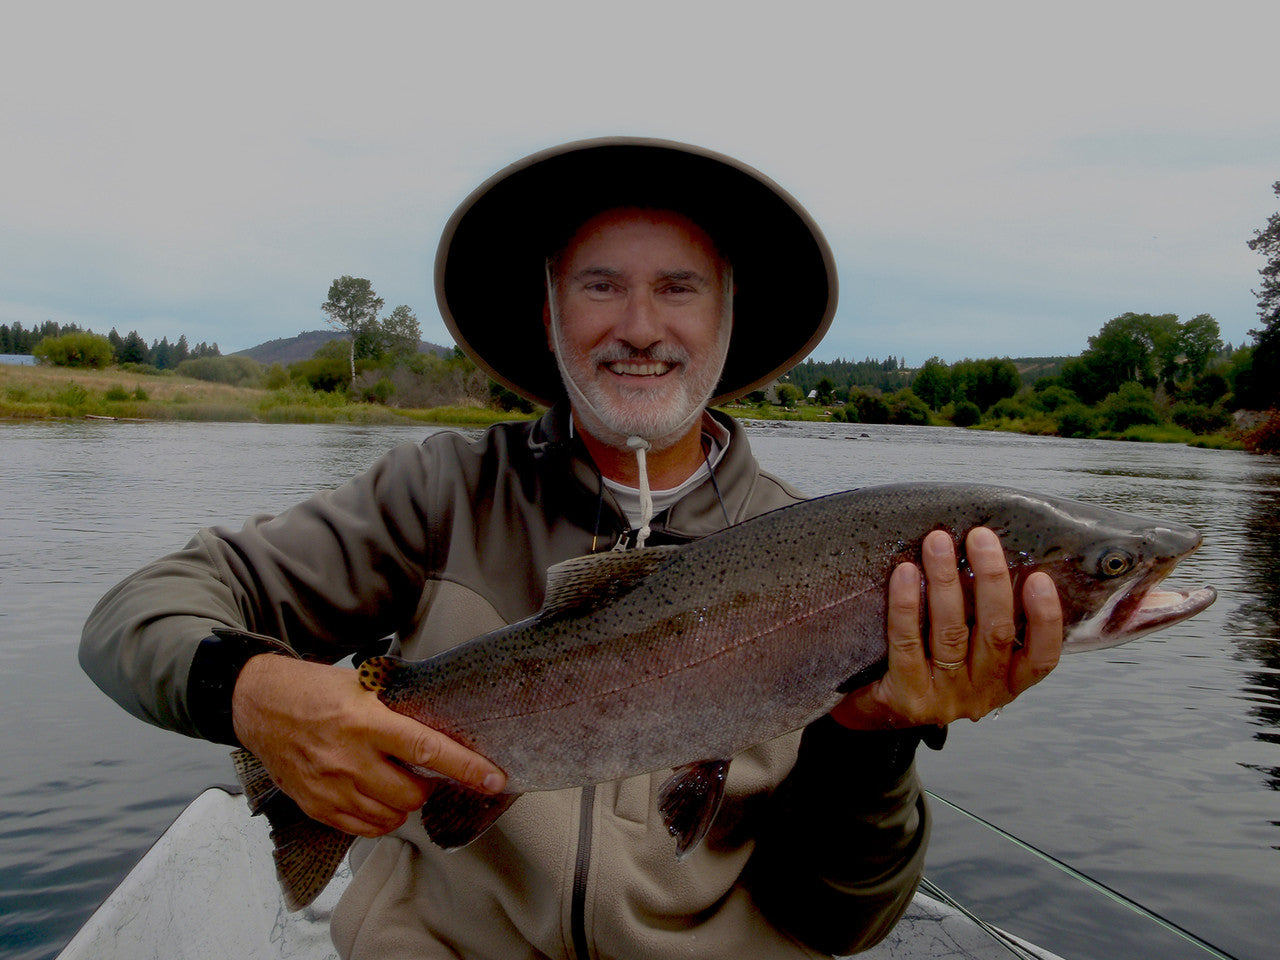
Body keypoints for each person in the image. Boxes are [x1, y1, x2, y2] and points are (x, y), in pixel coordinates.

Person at [81, 138, 1063, 959]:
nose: (639, 326)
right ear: (549, 313)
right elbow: (133, 617)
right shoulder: (436, 494)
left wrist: (873, 736)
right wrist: (252, 692)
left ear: (727, 317)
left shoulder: (835, 563)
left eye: (678, 289)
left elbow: (841, 923)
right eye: (601, 286)